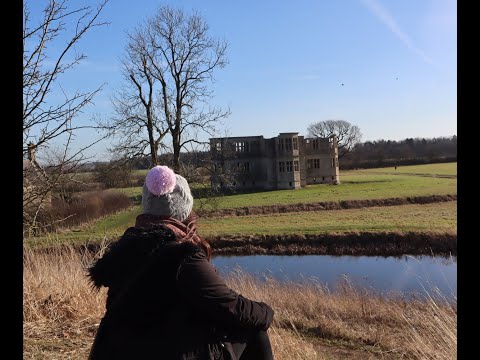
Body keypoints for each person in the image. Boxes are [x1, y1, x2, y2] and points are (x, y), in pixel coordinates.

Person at [88, 165, 275, 360]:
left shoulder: (127, 248)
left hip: (117, 351)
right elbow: (231, 306)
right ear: (183, 209)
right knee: (255, 329)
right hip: (164, 352)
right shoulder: (181, 256)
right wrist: (267, 312)